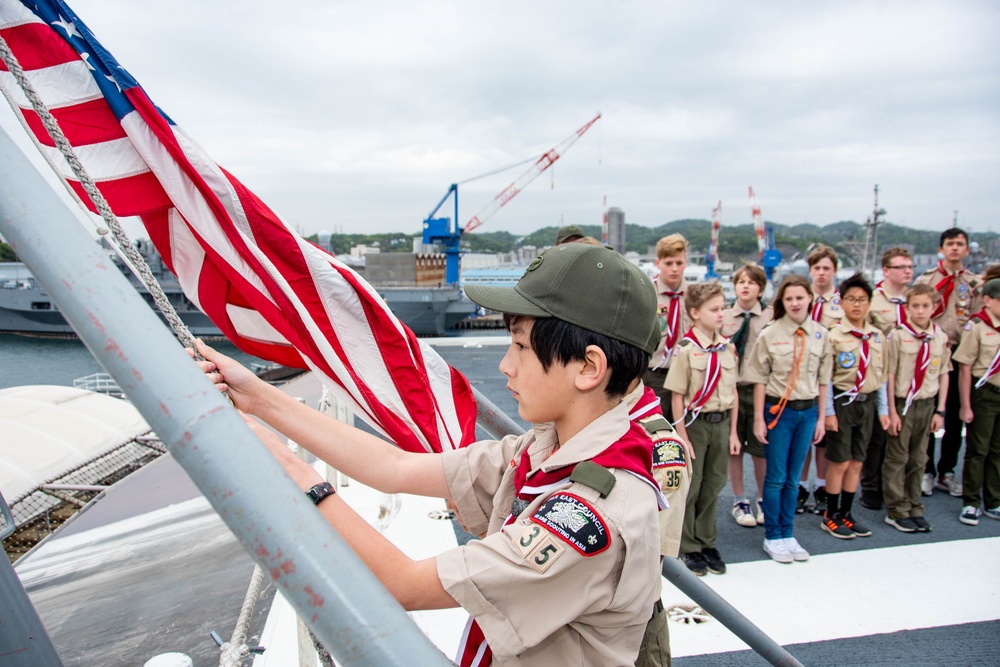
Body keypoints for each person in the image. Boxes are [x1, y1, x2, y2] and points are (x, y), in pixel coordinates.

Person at [195, 242, 665, 666]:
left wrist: (295, 475)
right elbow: (394, 468)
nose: (506, 364)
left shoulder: (593, 516)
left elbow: (404, 584)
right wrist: (259, 398)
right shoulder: (544, 450)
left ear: (588, 367)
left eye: (521, 345)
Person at [745, 275, 832, 564]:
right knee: (776, 477)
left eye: (800, 297)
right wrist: (758, 419)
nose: (795, 303)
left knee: (795, 480)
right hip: (777, 413)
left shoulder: (821, 334)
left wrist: (821, 418)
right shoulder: (770, 333)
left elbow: (823, 380)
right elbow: (759, 378)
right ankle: (773, 535)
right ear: (782, 302)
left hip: (807, 413)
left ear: (810, 298)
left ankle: (788, 532)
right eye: (789, 298)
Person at [665, 282, 739, 576]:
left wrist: (734, 433)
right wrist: (682, 437)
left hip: (721, 424)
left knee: (714, 483)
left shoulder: (728, 347)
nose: (721, 314)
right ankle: (690, 545)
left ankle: (707, 541)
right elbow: (677, 396)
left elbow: (732, 394)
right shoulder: (686, 349)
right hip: (695, 427)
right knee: (692, 488)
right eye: (715, 309)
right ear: (695, 313)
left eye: (723, 308)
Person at [820, 274, 889, 540]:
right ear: (841, 302)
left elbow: (881, 377)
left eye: (862, 300)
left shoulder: (877, 336)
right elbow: (826, 377)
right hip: (843, 402)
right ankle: (831, 514)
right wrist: (828, 412)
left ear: (870, 302)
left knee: (857, 461)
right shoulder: (834, 335)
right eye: (851, 299)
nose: (857, 305)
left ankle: (847, 513)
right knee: (839, 461)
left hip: (867, 402)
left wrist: (882, 410)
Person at [916, 228, 983, 498]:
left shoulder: (975, 283)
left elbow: (980, 318)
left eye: (960, 244)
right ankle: (927, 470)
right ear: (941, 249)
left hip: (961, 354)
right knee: (928, 414)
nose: (955, 248)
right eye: (949, 244)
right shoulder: (927, 280)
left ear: (967, 250)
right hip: (932, 354)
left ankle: (947, 470)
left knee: (956, 416)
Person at [883, 283, 951, 533]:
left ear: (934, 307)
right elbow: (889, 375)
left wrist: (940, 410)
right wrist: (891, 410)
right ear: (907, 308)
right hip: (903, 404)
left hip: (927, 404)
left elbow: (944, 373)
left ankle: (914, 505)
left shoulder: (939, 337)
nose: (920, 311)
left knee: (919, 457)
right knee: (897, 456)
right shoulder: (898, 336)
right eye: (915, 306)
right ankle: (896, 508)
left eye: (925, 306)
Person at [861, 248, 916, 509]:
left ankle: (896, 482)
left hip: (909, 375)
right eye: (901, 266)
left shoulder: (915, 300)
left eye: (910, 266)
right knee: (878, 434)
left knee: (906, 434)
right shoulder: (874, 300)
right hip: (880, 373)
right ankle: (870, 484)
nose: (907, 271)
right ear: (886, 270)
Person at [722, 264, 772, 527]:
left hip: (759, 389)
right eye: (741, 281)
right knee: (735, 447)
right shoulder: (726, 315)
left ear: (760, 288)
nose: (745, 286)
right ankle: (739, 499)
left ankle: (763, 499)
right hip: (732, 388)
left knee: (760, 449)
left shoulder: (770, 316)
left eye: (751, 282)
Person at [954, 277, 1000, 526]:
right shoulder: (977, 327)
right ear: (987, 301)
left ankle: (993, 500)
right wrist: (965, 404)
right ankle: (971, 502)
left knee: (997, 450)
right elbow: (965, 368)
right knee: (978, 450)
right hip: (984, 392)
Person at [798, 244, 841, 515]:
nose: (821, 273)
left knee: (825, 436)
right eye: (817, 268)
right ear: (810, 271)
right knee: (804, 437)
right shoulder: (801, 299)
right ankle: (801, 486)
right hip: (802, 375)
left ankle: (823, 486)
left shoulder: (843, 304)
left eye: (827, 268)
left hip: (833, 376)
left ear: (834, 271)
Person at [644, 234, 691, 414]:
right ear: (658, 263)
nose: (674, 269)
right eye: (668, 263)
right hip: (655, 372)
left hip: (686, 373)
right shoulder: (648, 293)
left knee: (684, 426)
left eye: (679, 263)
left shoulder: (693, 296)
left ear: (686, 262)